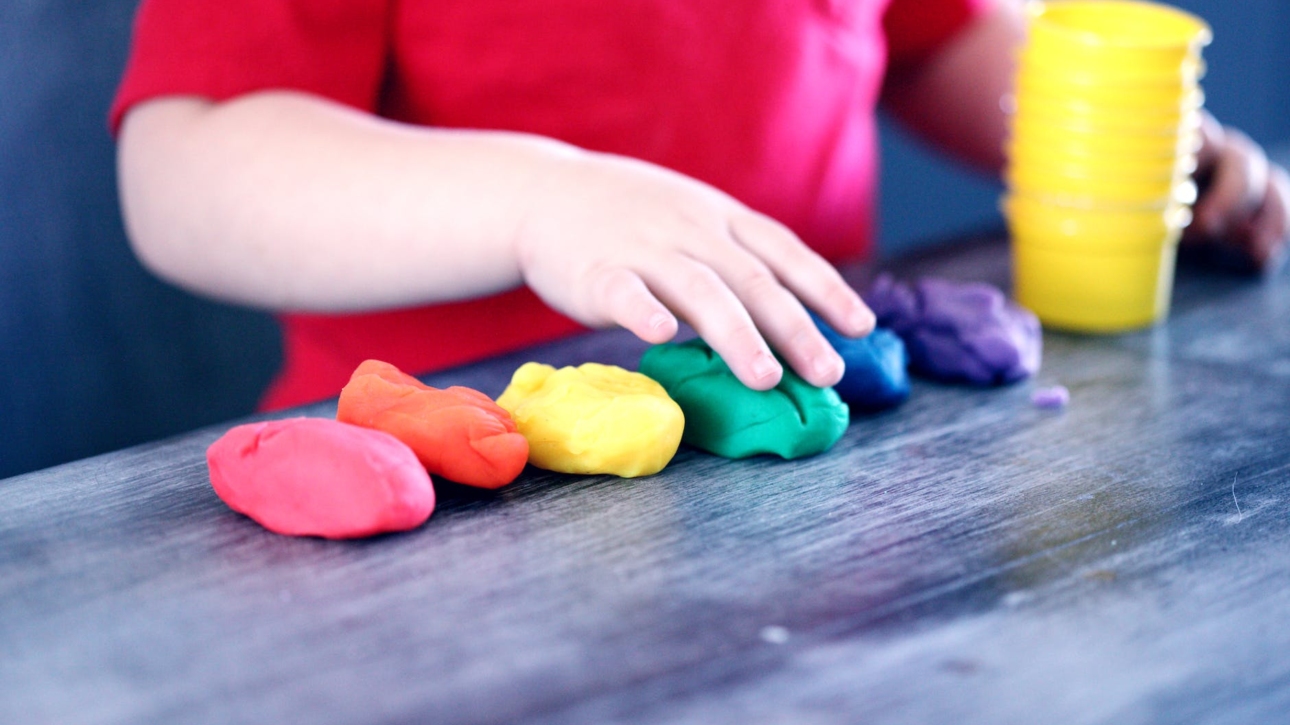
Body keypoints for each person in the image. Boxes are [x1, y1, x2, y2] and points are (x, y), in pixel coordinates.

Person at [111, 0, 1289, 411]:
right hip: (454, 495)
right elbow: (188, 165)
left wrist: (1127, 147)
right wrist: (542, 200)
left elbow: (933, 39)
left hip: (814, 448)